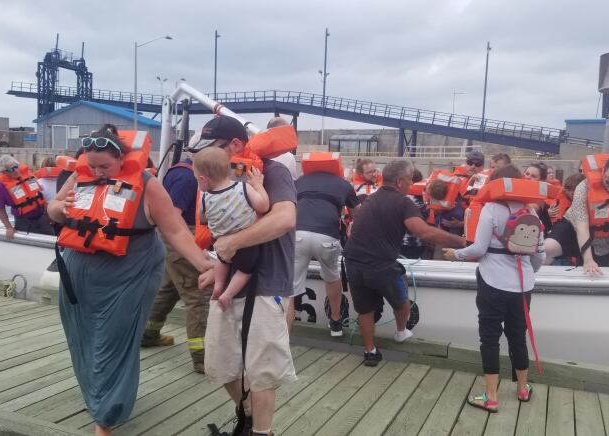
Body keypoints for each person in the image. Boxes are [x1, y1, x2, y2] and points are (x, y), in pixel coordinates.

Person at [48, 125, 213, 436]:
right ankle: (97, 396)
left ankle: (106, 417)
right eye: (92, 165)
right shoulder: (79, 176)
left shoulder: (148, 185)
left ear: (121, 159)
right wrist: (61, 206)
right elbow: (53, 210)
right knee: (82, 339)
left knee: (114, 343)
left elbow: (176, 231)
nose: (97, 172)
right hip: (78, 278)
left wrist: (203, 264)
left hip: (129, 276)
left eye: (104, 166)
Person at [193, 115, 297, 436]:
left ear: (236, 145)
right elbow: (215, 224)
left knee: (263, 369)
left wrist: (230, 244)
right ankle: (248, 414)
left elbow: (283, 218)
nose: (206, 158)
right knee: (220, 364)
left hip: (265, 283)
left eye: (213, 149)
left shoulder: (270, 172)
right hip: (231, 281)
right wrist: (216, 264)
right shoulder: (217, 178)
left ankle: (261, 431)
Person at [442, 164, 546, 413]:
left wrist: (454, 254)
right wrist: (528, 272)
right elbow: (539, 256)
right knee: (517, 335)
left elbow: (478, 249)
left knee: (489, 338)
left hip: (492, 281)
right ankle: (522, 389)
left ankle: (491, 397)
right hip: (522, 286)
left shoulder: (490, 209)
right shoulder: (531, 212)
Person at [344, 160, 467, 367]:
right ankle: (401, 332)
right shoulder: (403, 202)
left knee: (365, 309)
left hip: (353, 261)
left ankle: (370, 351)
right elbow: (424, 232)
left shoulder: (370, 200)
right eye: (410, 179)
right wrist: (462, 241)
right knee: (401, 302)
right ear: (400, 181)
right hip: (380, 264)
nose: (411, 183)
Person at [141, 151, 212, 374]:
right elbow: (174, 215)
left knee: (168, 289)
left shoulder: (178, 172)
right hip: (182, 239)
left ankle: (148, 334)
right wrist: (193, 248)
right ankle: (202, 358)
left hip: (171, 242)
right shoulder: (187, 177)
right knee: (197, 296)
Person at [291, 152, 359, 334]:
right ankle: (336, 321)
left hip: (299, 234)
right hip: (327, 236)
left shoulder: (299, 182)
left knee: (292, 286)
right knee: (331, 276)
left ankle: (284, 333)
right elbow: (358, 213)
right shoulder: (343, 184)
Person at [194, 146, 270, 311]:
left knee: (222, 261)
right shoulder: (243, 187)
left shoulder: (204, 198)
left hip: (221, 245)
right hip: (245, 245)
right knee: (246, 270)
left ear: (203, 180)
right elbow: (263, 206)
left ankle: (219, 286)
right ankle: (227, 294)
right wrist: (258, 186)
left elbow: (203, 219)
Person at [544, 155, 609, 275]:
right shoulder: (583, 188)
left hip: (602, 241)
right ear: (603, 173)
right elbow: (581, 226)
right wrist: (588, 260)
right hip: (573, 228)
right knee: (547, 249)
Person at [0, 154, 54, 239]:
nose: (16, 170)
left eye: (16, 166)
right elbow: (1, 210)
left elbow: (42, 198)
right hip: (24, 222)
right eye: (11, 169)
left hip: (42, 218)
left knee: (53, 243)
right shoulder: (0, 187)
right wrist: (9, 227)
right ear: (4, 172)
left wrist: (49, 216)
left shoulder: (28, 176)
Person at [523, 162, 553, 234]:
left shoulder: (539, 198)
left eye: (533, 176)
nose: (528, 177)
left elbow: (525, 212)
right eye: (527, 174)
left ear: (541, 181)